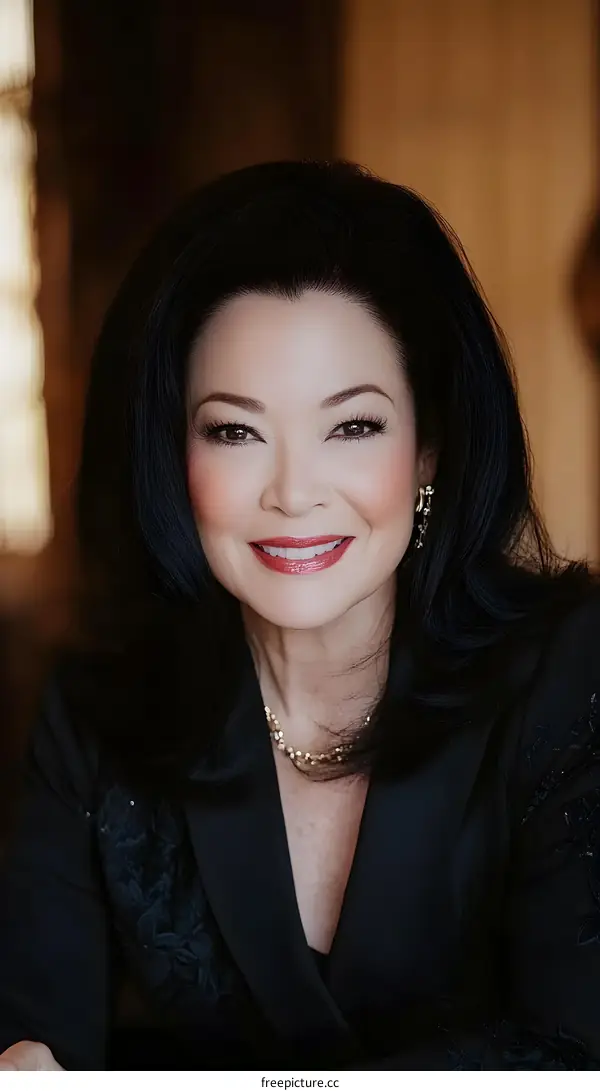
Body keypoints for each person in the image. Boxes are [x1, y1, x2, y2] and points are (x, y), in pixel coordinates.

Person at [0, 159, 599, 1072]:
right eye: (234, 431)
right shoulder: (98, 716)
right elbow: (28, 1030)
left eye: (352, 426)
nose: (293, 494)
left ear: (428, 445)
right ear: (173, 454)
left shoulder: (571, 677)